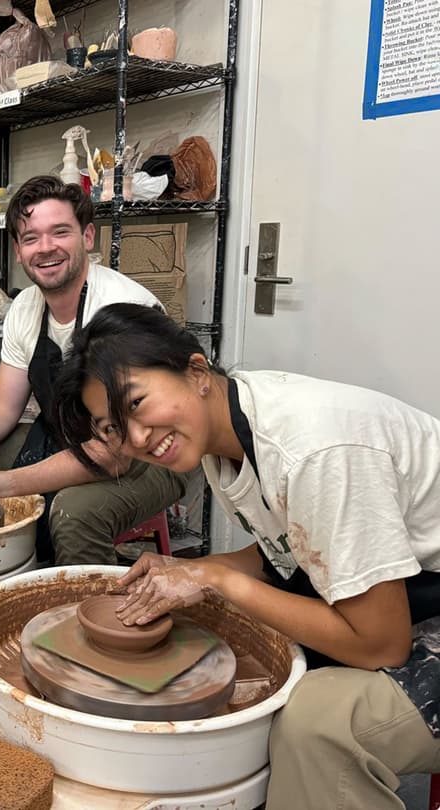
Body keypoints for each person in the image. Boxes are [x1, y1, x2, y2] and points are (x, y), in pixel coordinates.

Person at [55, 302, 440, 810]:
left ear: (196, 372)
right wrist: (197, 570)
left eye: (138, 403)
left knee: (316, 723)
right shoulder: (228, 431)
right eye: (111, 428)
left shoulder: (312, 450)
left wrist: (222, 582)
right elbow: (292, 550)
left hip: (413, 617)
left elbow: (380, 645)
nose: (137, 437)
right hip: (406, 590)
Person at [0, 175, 186, 564]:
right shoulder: (26, 307)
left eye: (60, 232)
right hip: (67, 435)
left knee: (72, 513)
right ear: (18, 250)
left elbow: (115, 452)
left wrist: (5, 484)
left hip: (152, 454)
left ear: (87, 237)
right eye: (31, 238)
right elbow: (1, 409)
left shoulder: (121, 311)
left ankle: (88, 614)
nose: (45, 248)